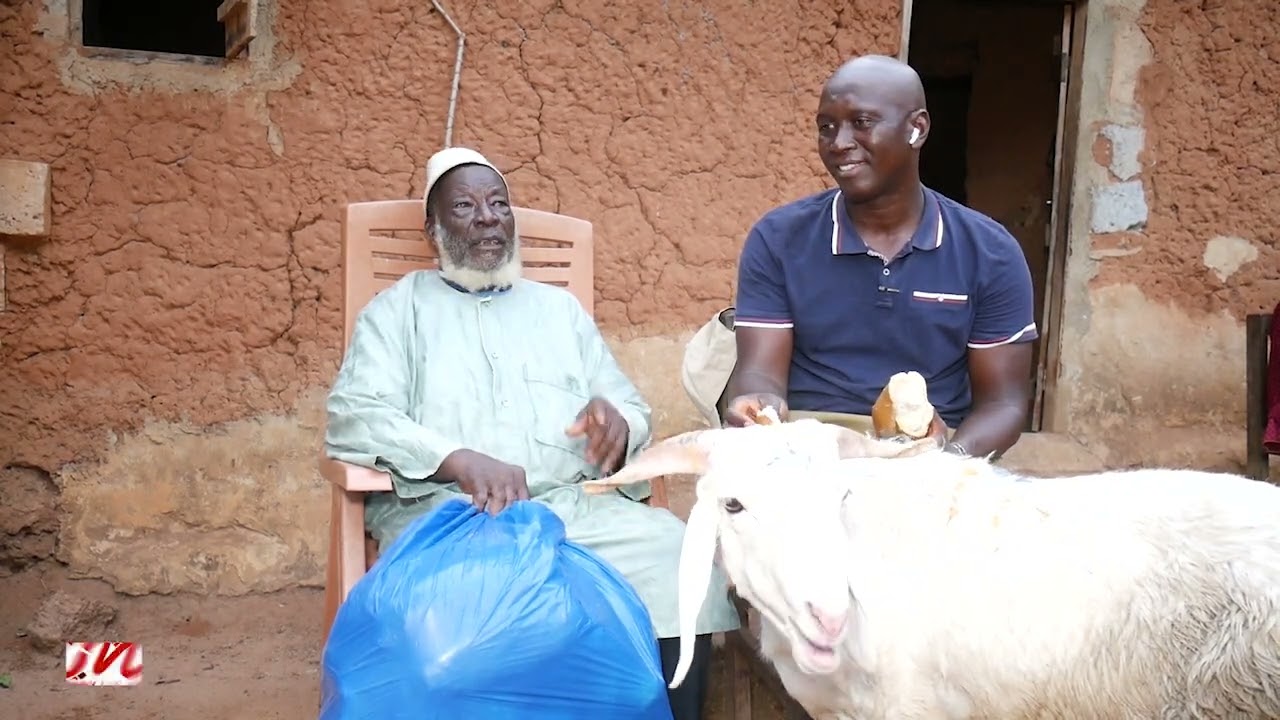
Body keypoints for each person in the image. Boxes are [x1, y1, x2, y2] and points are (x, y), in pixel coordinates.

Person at [323, 146, 740, 718]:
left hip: (575, 510)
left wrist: (618, 421)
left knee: (675, 558)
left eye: (499, 203)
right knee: (454, 625)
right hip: (454, 518)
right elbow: (354, 414)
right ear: (433, 229)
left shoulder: (559, 311)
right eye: (466, 206)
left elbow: (629, 405)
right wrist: (458, 459)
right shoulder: (395, 313)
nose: (489, 216)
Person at [693, 54, 1038, 460]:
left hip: (928, 451)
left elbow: (1005, 405)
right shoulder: (780, 239)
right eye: (827, 127)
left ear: (917, 129)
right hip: (807, 449)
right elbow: (761, 375)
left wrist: (947, 466)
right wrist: (758, 406)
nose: (839, 143)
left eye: (862, 123)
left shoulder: (989, 253)